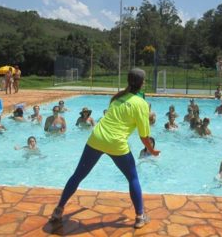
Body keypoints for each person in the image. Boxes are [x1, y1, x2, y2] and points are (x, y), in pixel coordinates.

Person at [49, 68, 160, 229]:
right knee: (133, 178)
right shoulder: (141, 104)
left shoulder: (117, 98)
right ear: (142, 84)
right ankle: (139, 216)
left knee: (78, 175)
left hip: (97, 138)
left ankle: (58, 210)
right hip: (115, 143)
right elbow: (144, 136)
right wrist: (152, 150)